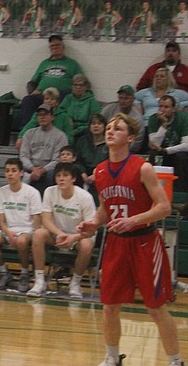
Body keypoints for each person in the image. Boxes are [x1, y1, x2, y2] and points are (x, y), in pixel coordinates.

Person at [78, 114, 182, 366]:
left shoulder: (142, 167)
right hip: (116, 243)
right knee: (110, 305)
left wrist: (134, 220)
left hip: (144, 242)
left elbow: (164, 207)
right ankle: (112, 358)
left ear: (131, 137)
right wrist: (93, 222)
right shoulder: (100, 171)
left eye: (118, 128)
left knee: (156, 308)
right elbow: (106, 209)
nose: (110, 131)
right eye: (109, 128)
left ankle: (175, 361)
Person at [27, 162, 96, 298]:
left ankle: (75, 283)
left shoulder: (85, 197)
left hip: (79, 236)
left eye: (65, 175)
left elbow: (91, 229)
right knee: (39, 234)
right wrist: (60, 234)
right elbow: (45, 220)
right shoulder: (49, 191)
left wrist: (73, 238)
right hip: (58, 234)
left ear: (73, 178)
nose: (61, 178)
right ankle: (39, 281)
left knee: (87, 244)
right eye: (58, 175)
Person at [0, 158, 42, 293]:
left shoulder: (32, 192)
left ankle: (24, 273)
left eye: (13, 171)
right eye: (7, 171)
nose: (10, 174)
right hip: (8, 230)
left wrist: (33, 236)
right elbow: (0, 220)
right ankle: (4, 272)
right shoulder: (1, 192)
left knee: (22, 241)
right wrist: (8, 232)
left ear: (21, 173)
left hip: (27, 230)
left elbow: (37, 219)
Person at [19, 35, 85, 127]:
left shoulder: (72, 64)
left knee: (67, 94)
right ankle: (26, 131)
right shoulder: (44, 63)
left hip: (62, 95)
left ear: (63, 47)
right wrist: (32, 91)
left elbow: (81, 81)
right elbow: (32, 82)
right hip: (43, 94)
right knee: (28, 100)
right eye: (52, 46)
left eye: (57, 45)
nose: (55, 48)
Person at [19, 104, 69, 192]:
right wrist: (32, 168)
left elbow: (58, 159)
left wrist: (43, 170)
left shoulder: (60, 136)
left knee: (53, 174)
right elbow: (23, 156)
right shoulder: (29, 133)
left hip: (49, 168)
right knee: (16, 170)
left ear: (52, 117)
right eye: (39, 115)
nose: (42, 117)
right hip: (31, 166)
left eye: (45, 114)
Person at [147, 95, 188, 194]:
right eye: (160, 106)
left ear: (174, 109)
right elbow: (154, 144)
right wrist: (163, 125)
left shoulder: (183, 118)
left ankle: (179, 193)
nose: (162, 110)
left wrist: (166, 150)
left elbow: (186, 145)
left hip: (176, 151)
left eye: (166, 107)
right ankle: (152, 191)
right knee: (152, 154)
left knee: (181, 156)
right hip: (161, 151)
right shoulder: (153, 119)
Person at [101, 85, 145, 153]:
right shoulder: (109, 109)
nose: (123, 101)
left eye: (126, 98)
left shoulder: (138, 118)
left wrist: (119, 149)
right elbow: (99, 124)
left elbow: (137, 142)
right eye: (121, 98)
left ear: (133, 99)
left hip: (127, 151)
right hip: (105, 146)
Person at [75, 114, 109, 190]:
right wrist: (83, 173)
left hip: (103, 174)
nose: (96, 126)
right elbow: (77, 160)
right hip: (83, 175)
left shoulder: (109, 143)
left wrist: (97, 174)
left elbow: (110, 163)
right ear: (89, 127)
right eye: (93, 124)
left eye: (99, 123)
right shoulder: (82, 141)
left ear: (104, 126)